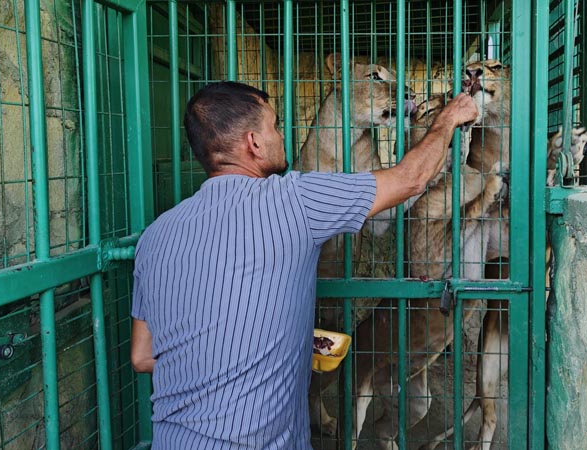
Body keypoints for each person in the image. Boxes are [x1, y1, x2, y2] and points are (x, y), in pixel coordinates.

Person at [130, 81, 478, 449]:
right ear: (253, 142)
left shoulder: (155, 236)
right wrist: (450, 118)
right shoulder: (293, 200)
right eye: (276, 126)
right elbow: (410, 179)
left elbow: (142, 356)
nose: (281, 136)